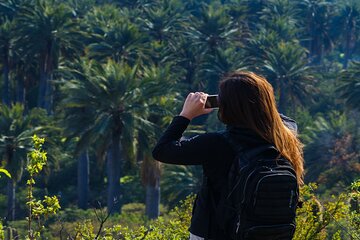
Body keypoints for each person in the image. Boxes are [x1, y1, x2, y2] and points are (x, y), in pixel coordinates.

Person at [152, 71, 304, 240]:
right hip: (272, 234)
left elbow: (162, 150)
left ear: (226, 106)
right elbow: (277, 118)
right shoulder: (285, 135)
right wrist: (258, 100)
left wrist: (186, 115)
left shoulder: (216, 144)